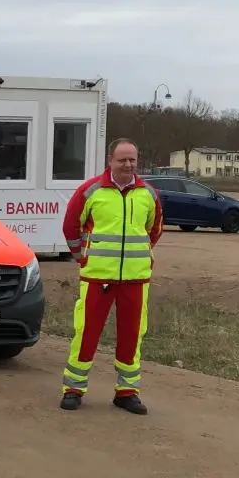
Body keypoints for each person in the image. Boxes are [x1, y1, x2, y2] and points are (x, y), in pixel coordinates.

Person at [59, 137, 164, 414]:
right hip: (97, 277)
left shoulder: (149, 194)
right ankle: (73, 389)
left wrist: (139, 255)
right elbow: (71, 226)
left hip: (135, 278)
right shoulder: (91, 191)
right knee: (86, 332)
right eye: (122, 160)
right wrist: (82, 256)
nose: (128, 165)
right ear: (110, 161)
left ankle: (127, 393)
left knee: (132, 335)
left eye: (132, 159)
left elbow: (154, 230)